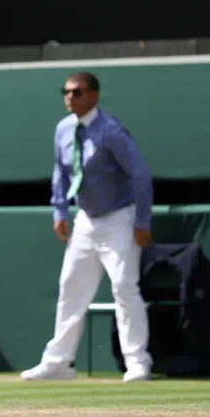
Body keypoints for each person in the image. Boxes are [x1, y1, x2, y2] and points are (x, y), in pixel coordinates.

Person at [21, 71, 154, 383]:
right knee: (71, 288)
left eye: (77, 92)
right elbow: (60, 171)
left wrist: (142, 221)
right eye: (66, 92)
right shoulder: (63, 130)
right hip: (85, 219)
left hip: (119, 217)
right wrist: (59, 211)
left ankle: (137, 362)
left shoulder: (111, 131)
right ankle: (58, 363)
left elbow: (140, 174)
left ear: (93, 95)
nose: (70, 97)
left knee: (124, 286)